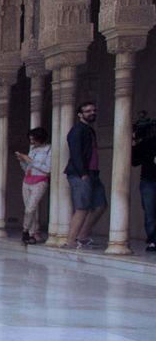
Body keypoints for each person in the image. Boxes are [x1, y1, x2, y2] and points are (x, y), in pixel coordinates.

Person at [64, 100, 106, 249]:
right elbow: (75, 153)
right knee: (82, 208)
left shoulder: (89, 130)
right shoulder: (77, 130)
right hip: (81, 174)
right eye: (88, 111)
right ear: (80, 115)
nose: (92, 113)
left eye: (93, 110)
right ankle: (70, 241)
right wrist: (83, 174)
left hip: (93, 174)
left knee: (100, 205)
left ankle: (82, 236)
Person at [14, 126, 51, 244]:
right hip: (27, 180)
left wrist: (30, 161)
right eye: (30, 139)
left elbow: (47, 169)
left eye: (33, 139)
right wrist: (22, 160)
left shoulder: (49, 149)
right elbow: (27, 168)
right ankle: (32, 234)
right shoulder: (33, 149)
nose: (31, 142)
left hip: (40, 181)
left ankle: (25, 232)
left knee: (31, 207)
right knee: (29, 209)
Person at [133, 111, 156, 253]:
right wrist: (133, 142)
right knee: (150, 213)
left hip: (148, 182)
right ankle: (153, 241)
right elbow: (134, 161)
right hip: (148, 181)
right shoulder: (146, 143)